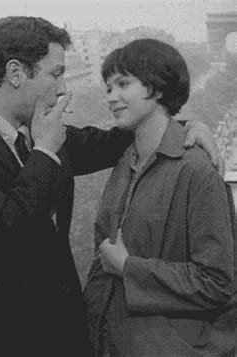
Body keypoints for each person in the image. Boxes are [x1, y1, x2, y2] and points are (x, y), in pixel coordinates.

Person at [0, 17, 220, 356]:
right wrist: (45, 151)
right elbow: (7, 228)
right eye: (55, 73)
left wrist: (187, 125)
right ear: (16, 73)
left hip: (63, 332)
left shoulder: (42, 132)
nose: (62, 88)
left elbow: (114, 141)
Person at [83, 38, 236, 356]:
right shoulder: (126, 161)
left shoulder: (196, 170)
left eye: (123, 84)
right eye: (108, 88)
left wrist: (128, 267)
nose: (110, 97)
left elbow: (217, 281)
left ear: (158, 88)